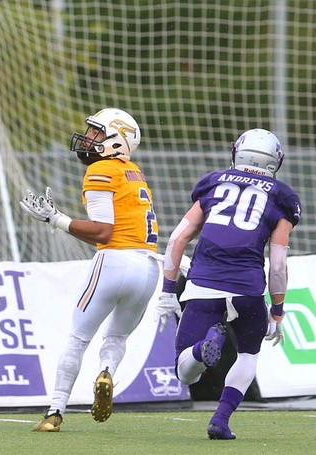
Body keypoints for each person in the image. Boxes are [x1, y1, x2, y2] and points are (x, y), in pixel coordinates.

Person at [154, 128, 301, 440]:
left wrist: (168, 291)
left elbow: (177, 240)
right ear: (275, 161)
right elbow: (277, 264)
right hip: (248, 288)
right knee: (248, 355)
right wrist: (277, 310)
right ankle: (220, 420)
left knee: (185, 371)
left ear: (239, 152)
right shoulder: (282, 196)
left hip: (203, 282)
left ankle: (201, 349)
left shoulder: (214, 182)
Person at [20, 108, 159, 431]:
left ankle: (55, 412)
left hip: (115, 260)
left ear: (116, 141)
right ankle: (106, 371)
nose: (89, 138)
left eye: (97, 133)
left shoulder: (101, 170)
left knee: (78, 337)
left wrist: (56, 220)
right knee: (117, 336)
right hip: (148, 267)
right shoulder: (134, 172)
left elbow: (103, 231)